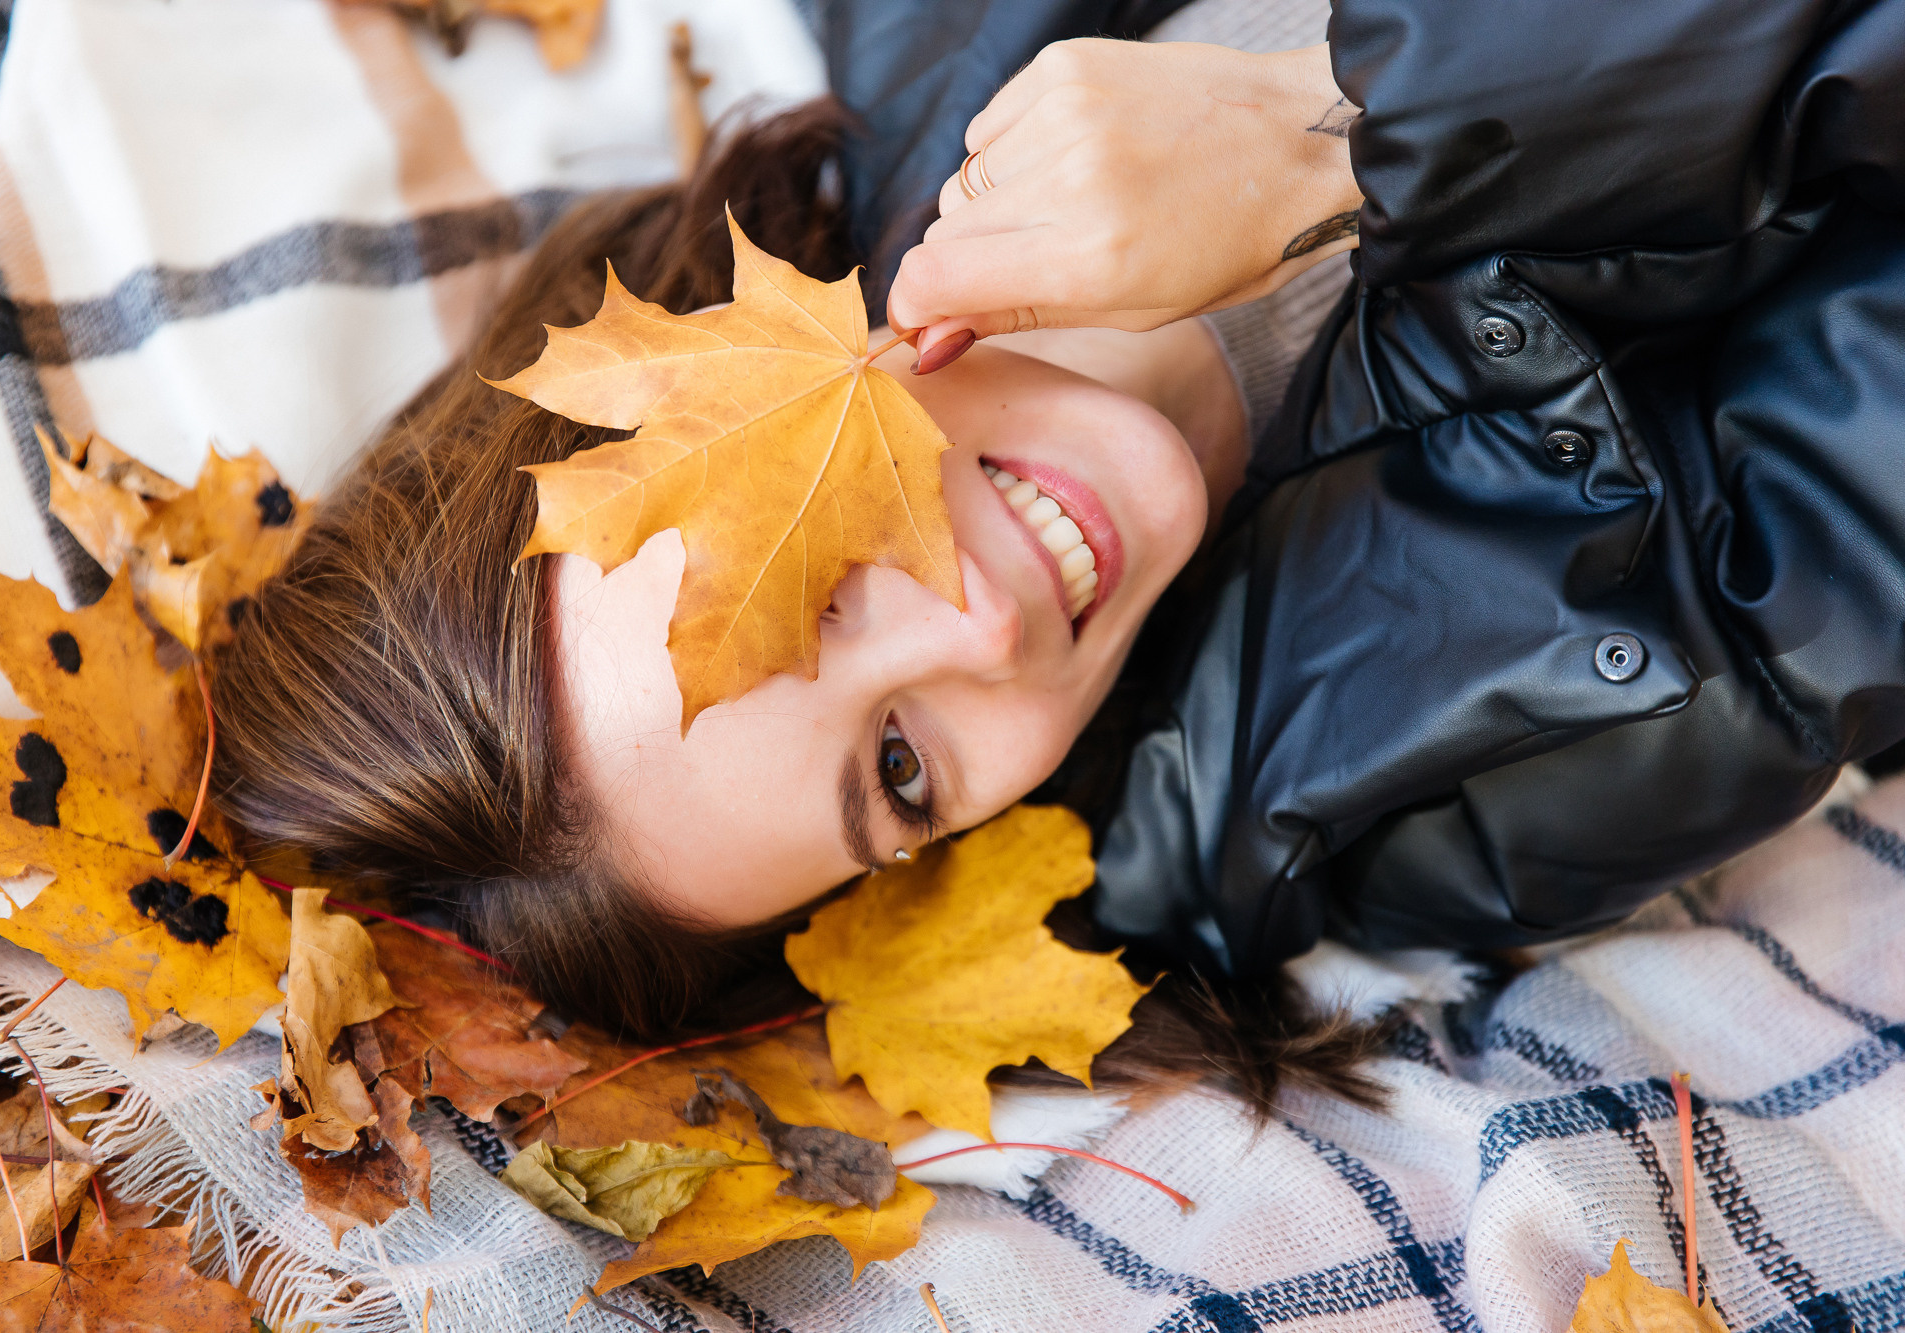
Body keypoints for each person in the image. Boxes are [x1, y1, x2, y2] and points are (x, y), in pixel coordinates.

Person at [205, 2, 1905, 1105]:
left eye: (811, 580)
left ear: (712, 360)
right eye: (896, 768)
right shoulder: (1411, 769)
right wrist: (1337, 133)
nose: (977, 626)